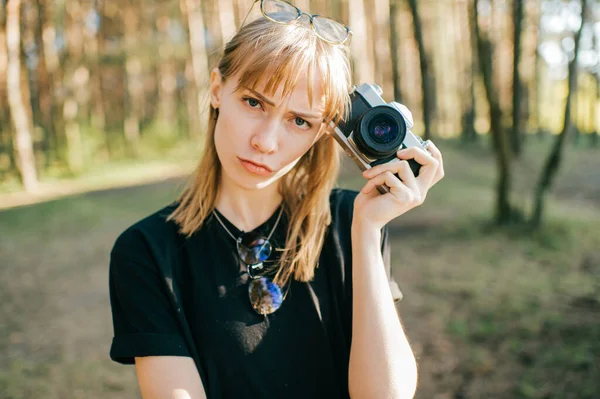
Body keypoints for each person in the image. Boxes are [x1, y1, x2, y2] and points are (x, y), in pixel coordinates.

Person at [108, 1, 444, 398]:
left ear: (321, 132)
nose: (265, 142)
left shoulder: (349, 225)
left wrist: (368, 233)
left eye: (299, 120)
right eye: (254, 103)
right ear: (217, 89)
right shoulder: (147, 252)